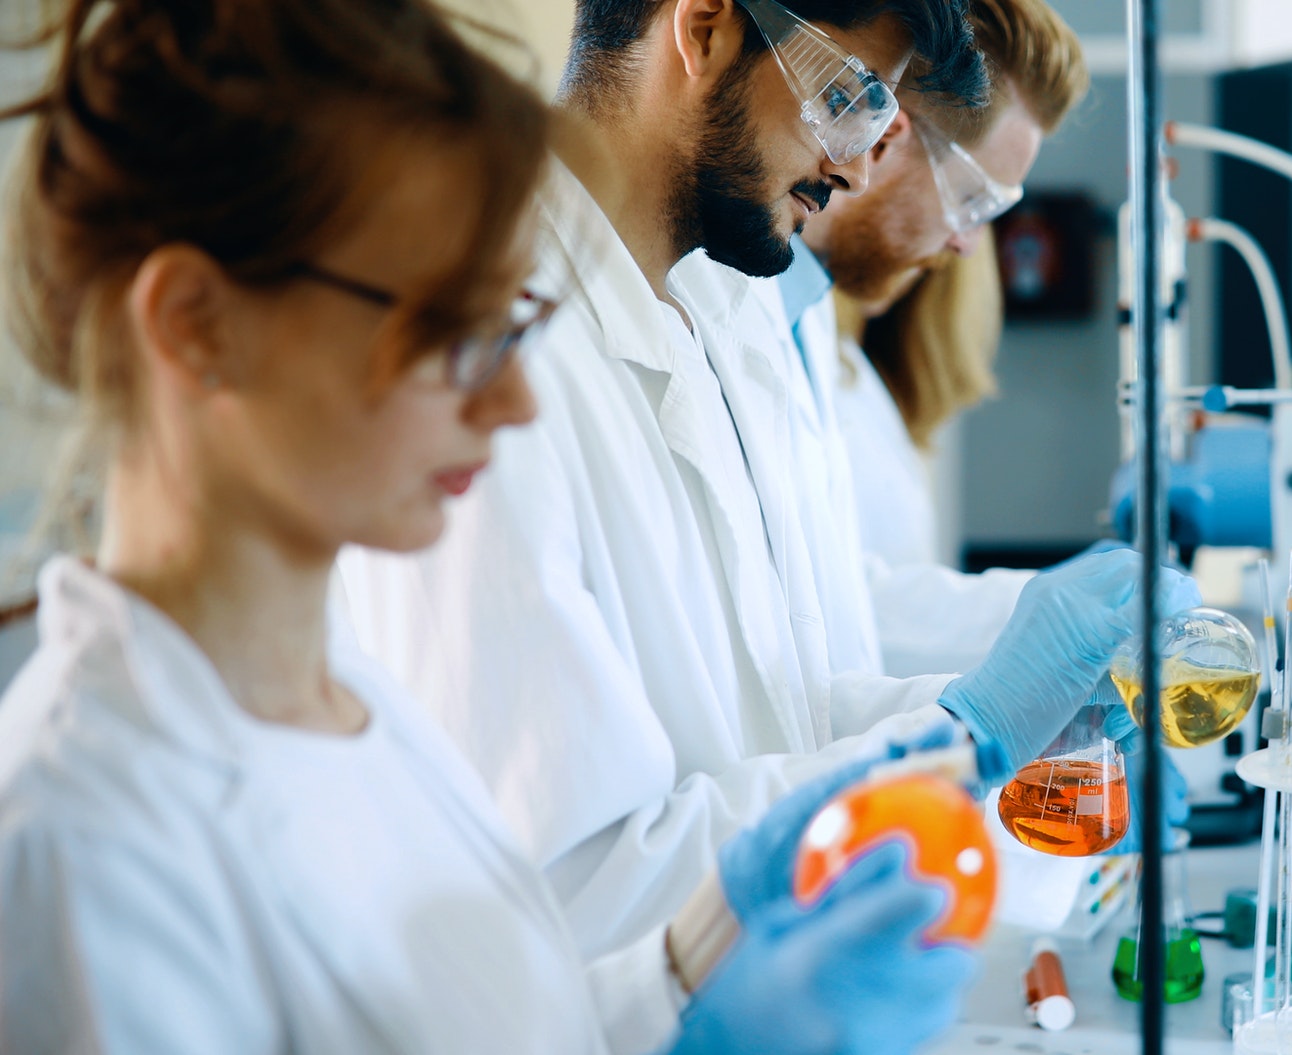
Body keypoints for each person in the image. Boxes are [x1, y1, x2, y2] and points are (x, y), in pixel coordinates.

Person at [0, 1, 973, 1052]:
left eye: (510, 328)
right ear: (195, 323)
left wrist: (690, 963)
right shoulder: (88, 846)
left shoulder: (343, 692)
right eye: (449, 330)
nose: (514, 404)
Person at [337, 0, 1192, 967]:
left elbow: (792, 713)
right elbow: (568, 889)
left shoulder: (727, 314)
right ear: (702, 32)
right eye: (850, 97)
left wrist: (1005, 723)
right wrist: (965, 735)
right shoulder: (492, 358)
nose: (862, 164)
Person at [787, 0, 1091, 679]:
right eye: (975, 201)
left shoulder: (808, 328)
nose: (966, 242)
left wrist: (1054, 606)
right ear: (887, 139)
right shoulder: (759, 315)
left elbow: (838, 601)